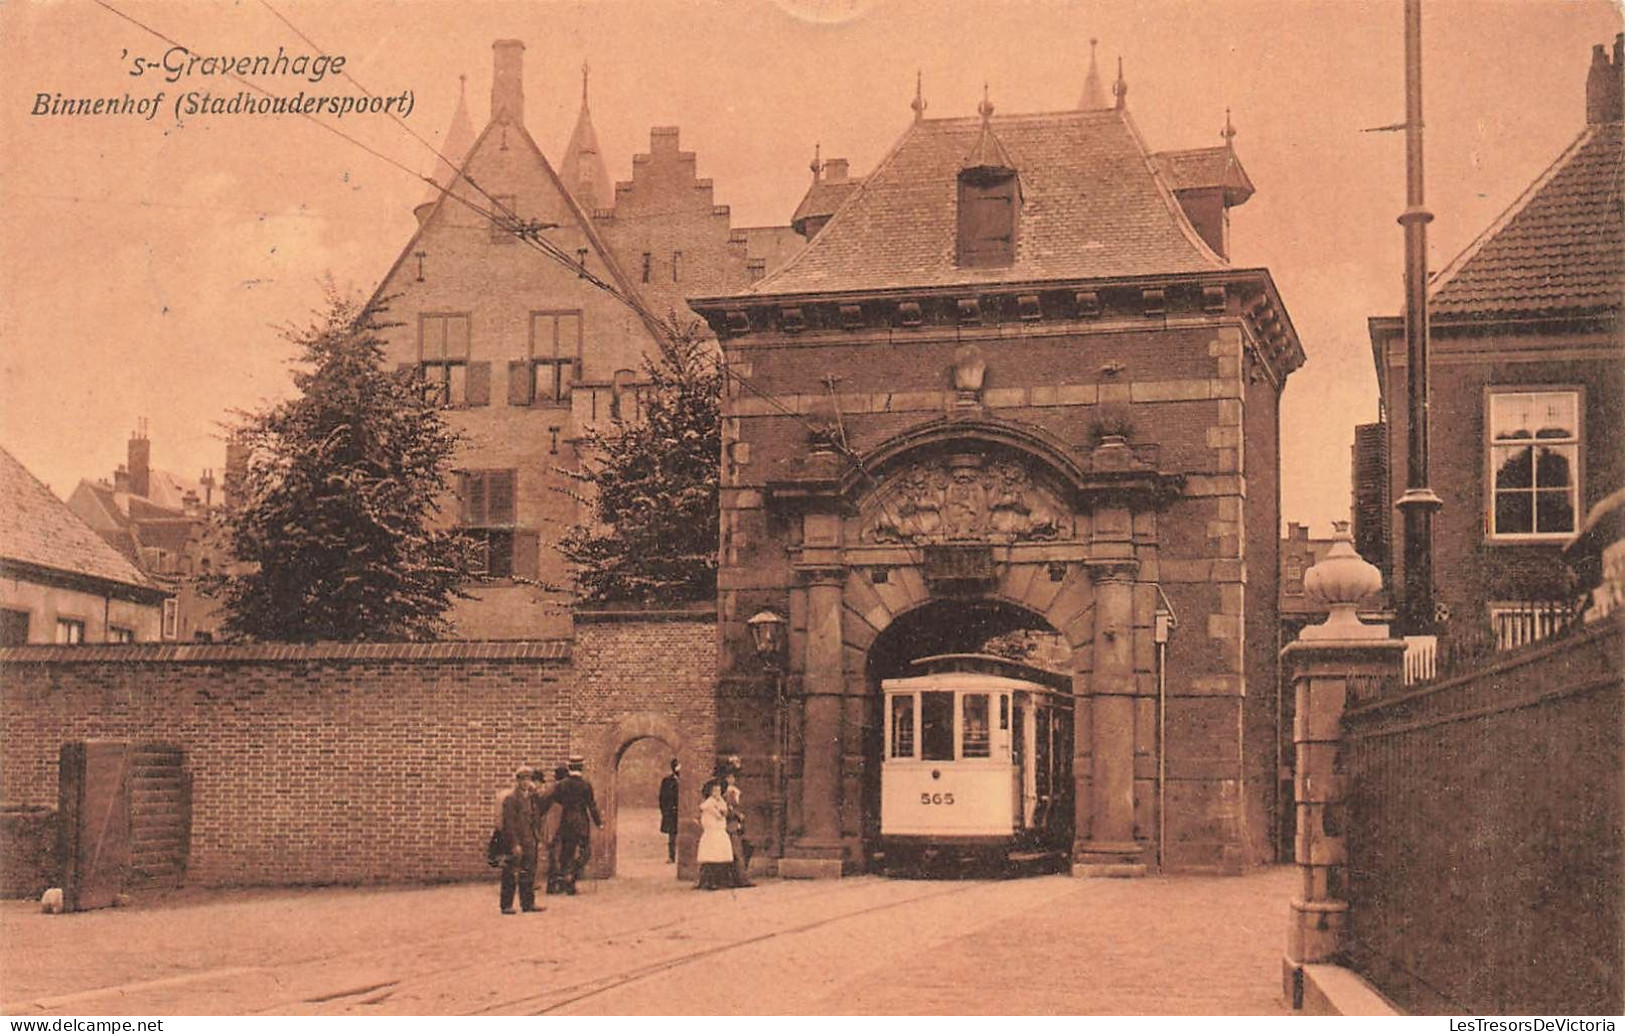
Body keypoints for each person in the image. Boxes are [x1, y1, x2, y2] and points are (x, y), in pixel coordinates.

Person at [551, 756, 603, 895]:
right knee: (585, 852)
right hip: (581, 822)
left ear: (569, 767)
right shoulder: (586, 784)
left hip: (566, 820)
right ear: (582, 767)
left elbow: (556, 798)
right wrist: (599, 822)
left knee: (566, 852)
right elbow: (591, 805)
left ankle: (566, 881)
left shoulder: (561, 784)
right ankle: (572, 876)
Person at [497, 767, 543, 914]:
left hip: (530, 839)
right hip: (517, 841)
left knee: (529, 873)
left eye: (528, 779)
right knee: (511, 873)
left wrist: (537, 838)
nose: (526, 782)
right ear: (518, 781)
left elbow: (535, 818)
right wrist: (514, 843)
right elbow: (509, 823)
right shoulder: (511, 799)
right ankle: (506, 905)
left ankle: (528, 903)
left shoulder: (531, 798)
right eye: (523, 779)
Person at [695, 779, 733, 890]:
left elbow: (724, 813)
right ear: (711, 792)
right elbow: (718, 815)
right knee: (711, 857)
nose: (717, 793)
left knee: (720, 857)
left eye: (719, 791)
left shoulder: (721, 802)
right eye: (715, 791)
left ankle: (719, 880)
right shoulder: (709, 804)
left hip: (720, 832)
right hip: (712, 832)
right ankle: (709, 882)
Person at [722, 769, 755, 888]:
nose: (731, 779)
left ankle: (740, 876)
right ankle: (741, 879)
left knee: (746, 848)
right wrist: (737, 814)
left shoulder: (736, 792)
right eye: (728, 777)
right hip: (731, 827)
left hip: (738, 827)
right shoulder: (725, 794)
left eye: (732, 777)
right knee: (736, 853)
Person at [543, 764, 570, 895]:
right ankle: (559, 884)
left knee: (554, 854)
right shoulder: (563, 787)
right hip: (560, 822)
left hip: (553, 821)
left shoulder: (553, 788)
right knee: (560, 854)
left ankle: (553, 884)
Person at [658, 759, 681, 864]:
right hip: (672, 813)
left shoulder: (687, 780)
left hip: (683, 811)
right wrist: (665, 811)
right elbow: (662, 798)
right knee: (672, 836)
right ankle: (671, 856)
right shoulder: (667, 781)